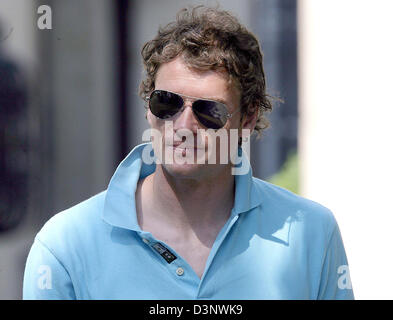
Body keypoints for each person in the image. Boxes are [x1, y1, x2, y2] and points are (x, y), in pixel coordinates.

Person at [23, 6, 354, 299]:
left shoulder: (311, 234)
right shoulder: (64, 246)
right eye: (167, 102)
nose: (184, 125)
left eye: (209, 111)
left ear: (248, 118)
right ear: (149, 108)